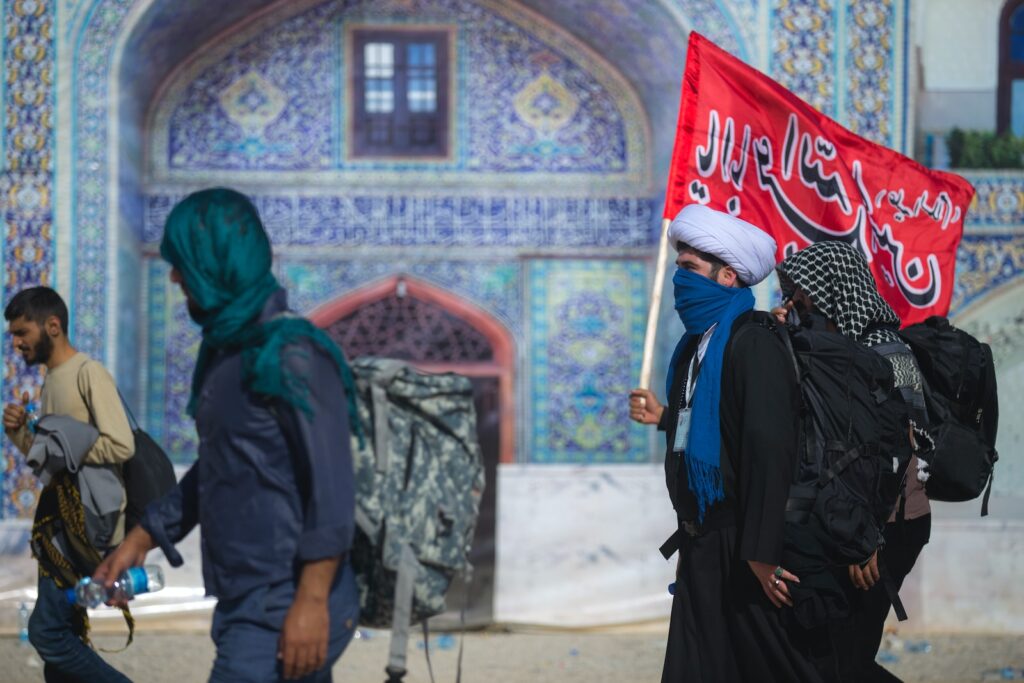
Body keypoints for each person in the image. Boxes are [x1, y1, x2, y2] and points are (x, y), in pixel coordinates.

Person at [94, 188, 361, 682]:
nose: (174, 277)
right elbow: (220, 467)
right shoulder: (226, 354)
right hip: (246, 597)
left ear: (219, 262)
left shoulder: (293, 353)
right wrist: (143, 536)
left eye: (184, 264)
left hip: (286, 597)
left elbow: (333, 488)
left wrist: (312, 601)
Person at [629, 204, 822, 683]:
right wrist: (665, 418)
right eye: (679, 268)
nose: (681, 280)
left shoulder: (752, 341)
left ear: (728, 276)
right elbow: (718, 425)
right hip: (702, 543)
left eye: (691, 269)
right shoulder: (695, 348)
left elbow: (767, 446)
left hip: (741, 548)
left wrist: (761, 550)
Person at [774, 241, 931, 683]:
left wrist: (867, 539)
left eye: (799, 295)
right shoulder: (831, 352)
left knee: (846, 662)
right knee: (830, 658)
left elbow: (893, 456)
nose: (791, 304)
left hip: (886, 525)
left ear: (831, 293)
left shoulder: (884, 352)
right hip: (849, 522)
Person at [3, 286, 134, 683]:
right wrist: (19, 432)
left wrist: (65, 444)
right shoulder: (52, 380)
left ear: (53, 326)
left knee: (48, 633)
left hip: (85, 525)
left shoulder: (86, 372)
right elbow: (51, 460)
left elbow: (120, 444)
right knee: (63, 643)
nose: (17, 343)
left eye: (22, 332)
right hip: (60, 524)